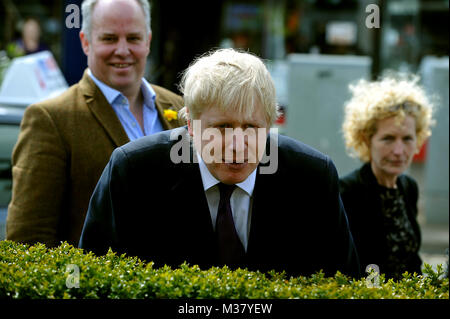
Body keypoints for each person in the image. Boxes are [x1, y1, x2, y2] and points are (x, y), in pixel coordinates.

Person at [79, 48, 360, 278]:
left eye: (251, 127)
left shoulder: (312, 178)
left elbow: (343, 283)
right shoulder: (134, 172)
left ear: (271, 124)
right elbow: (94, 277)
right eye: (222, 127)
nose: (237, 145)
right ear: (190, 124)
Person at [7, 0, 185, 247]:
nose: (122, 50)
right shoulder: (51, 119)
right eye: (110, 39)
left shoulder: (178, 106)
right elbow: (29, 240)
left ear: (148, 41)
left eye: (133, 38)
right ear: (85, 42)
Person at [339, 73, 435, 280]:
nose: (399, 150)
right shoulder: (347, 191)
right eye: (388, 139)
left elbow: (412, 260)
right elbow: (350, 265)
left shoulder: (408, 187)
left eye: (407, 138)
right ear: (366, 139)